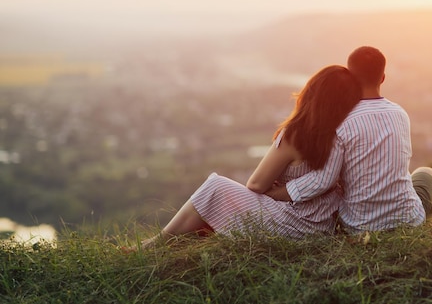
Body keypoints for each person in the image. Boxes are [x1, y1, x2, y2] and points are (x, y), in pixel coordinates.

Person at [131, 65, 361, 250]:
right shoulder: (345, 134)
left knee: (216, 186)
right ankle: (175, 243)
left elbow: (256, 184)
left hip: (295, 224)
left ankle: (154, 245)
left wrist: (275, 189)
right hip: (324, 225)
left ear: (313, 93)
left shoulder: (297, 135)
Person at [266, 46, 432, 233]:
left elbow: (323, 181)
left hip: (360, 227)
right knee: (426, 172)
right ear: (382, 78)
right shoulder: (401, 114)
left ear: (350, 79)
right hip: (409, 221)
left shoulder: (341, 122)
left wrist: (275, 193)